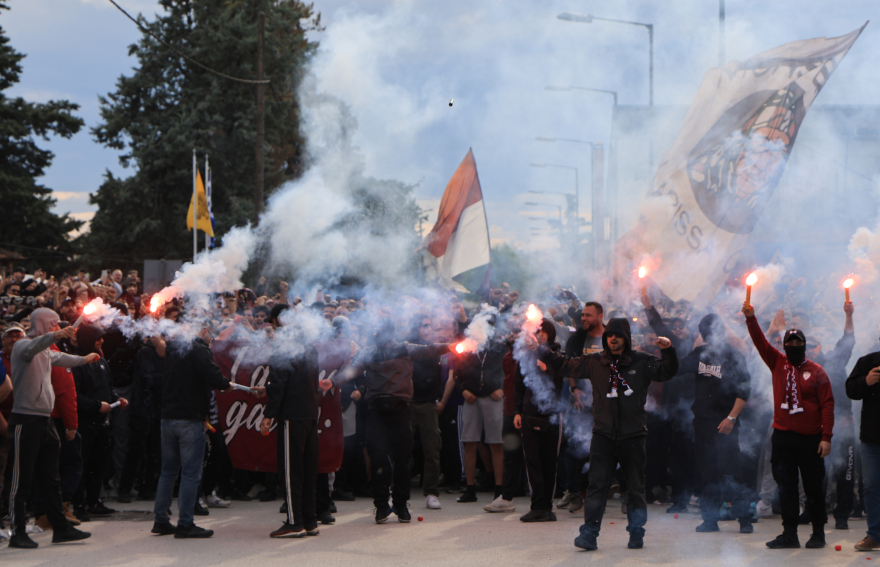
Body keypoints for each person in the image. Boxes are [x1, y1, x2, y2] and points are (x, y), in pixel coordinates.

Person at [538, 317, 677, 551]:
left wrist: (669, 351)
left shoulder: (642, 361)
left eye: (618, 335)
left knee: (635, 488)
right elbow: (565, 364)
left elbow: (667, 372)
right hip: (603, 435)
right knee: (597, 486)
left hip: (633, 435)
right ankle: (589, 533)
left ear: (626, 338)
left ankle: (636, 531)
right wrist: (541, 349)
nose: (613, 339)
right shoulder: (595, 361)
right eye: (610, 335)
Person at [334, 317, 451, 524]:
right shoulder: (369, 352)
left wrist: (453, 346)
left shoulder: (405, 349)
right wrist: (332, 381)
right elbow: (352, 371)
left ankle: (400, 504)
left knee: (402, 459)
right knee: (379, 459)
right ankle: (381, 506)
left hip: (400, 410)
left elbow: (431, 349)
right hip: (377, 411)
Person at [743, 302, 834, 549]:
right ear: (784, 346)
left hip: (810, 438)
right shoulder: (777, 362)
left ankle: (818, 533)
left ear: (804, 346)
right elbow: (760, 342)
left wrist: (826, 437)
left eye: (798, 343)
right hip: (783, 437)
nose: (794, 346)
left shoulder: (817, 371)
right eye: (789, 343)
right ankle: (790, 534)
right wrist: (751, 318)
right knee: (786, 487)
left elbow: (827, 405)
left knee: (813, 488)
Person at [7, 308, 95, 549]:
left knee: (50, 478)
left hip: (44, 421)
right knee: (20, 480)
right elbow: (36, 345)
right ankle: (17, 532)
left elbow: (62, 359)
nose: (57, 329)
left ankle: (61, 528)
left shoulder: (45, 350)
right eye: (54, 325)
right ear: (44, 325)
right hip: (25, 420)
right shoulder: (22, 346)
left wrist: (84, 359)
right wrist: (56, 336)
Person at [151, 324, 232, 539]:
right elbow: (215, 377)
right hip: (189, 418)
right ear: (203, 330)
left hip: (168, 417)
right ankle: (185, 523)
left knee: (168, 471)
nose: (211, 339)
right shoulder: (198, 349)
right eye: (210, 334)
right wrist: (227, 384)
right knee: (190, 473)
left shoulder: (173, 348)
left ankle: (161, 520)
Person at [260, 304, 332, 538]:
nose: (272, 329)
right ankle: (309, 521)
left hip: (292, 416)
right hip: (310, 415)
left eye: (272, 323)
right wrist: (269, 388)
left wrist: (268, 414)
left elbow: (280, 385)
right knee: (308, 471)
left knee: (291, 472)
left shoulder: (283, 347)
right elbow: (299, 381)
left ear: (279, 321)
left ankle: (294, 522)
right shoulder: (308, 345)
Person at [678, 313, 752, 534]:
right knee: (707, 472)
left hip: (726, 423)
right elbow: (677, 368)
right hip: (702, 422)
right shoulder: (699, 354)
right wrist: (666, 351)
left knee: (732, 471)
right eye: (706, 333)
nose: (710, 337)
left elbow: (744, 391)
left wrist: (731, 418)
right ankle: (710, 520)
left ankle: (744, 519)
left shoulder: (734, 356)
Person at [71, 324, 126, 521]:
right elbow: (74, 395)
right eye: (97, 338)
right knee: (81, 464)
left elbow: (107, 388)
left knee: (98, 463)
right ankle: (79, 505)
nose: (101, 341)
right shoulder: (76, 362)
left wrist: (117, 399)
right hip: (84, 422)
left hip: (102, 422)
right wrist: (96, 406)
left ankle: (93, 501)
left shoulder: (101, 361)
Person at [514, 319, 565, 522]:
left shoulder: (557, 355)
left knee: (549, 462)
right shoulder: (525, 355)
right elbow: (519, 385)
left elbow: (560, 381)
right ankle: (537, 506)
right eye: (538, 331)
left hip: (551, 416)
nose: (541, 334)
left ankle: (548, 507)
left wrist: (547, 370)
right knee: (532, 462)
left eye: (544, 331)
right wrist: (517, 412)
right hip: (529, 414)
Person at [454, 321, 509, 504]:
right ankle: (470, 489)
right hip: (472, 398)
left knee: (496, 443)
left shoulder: (499, 348)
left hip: (494, 397)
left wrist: (502, 389)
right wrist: (463, 390)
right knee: (469, 442)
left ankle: (499, 489)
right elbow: (456, 373)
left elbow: (510, 372)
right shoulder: (467, 348)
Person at [845, 327, 880, 551]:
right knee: (871, 487)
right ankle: (875, 535)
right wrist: (866, 382)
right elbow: (850, 390)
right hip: (872, 439)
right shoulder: (868, 362)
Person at [408, 314, 444, 510]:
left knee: (432, 449)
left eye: (430, 325)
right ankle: (397, 492)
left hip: (428, 403)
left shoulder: (434, 348)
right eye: (424, 326)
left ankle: (431, 492)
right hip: (408, 403)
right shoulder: (407, 347)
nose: (428, 329)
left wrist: (438, 398)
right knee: (402, 449)